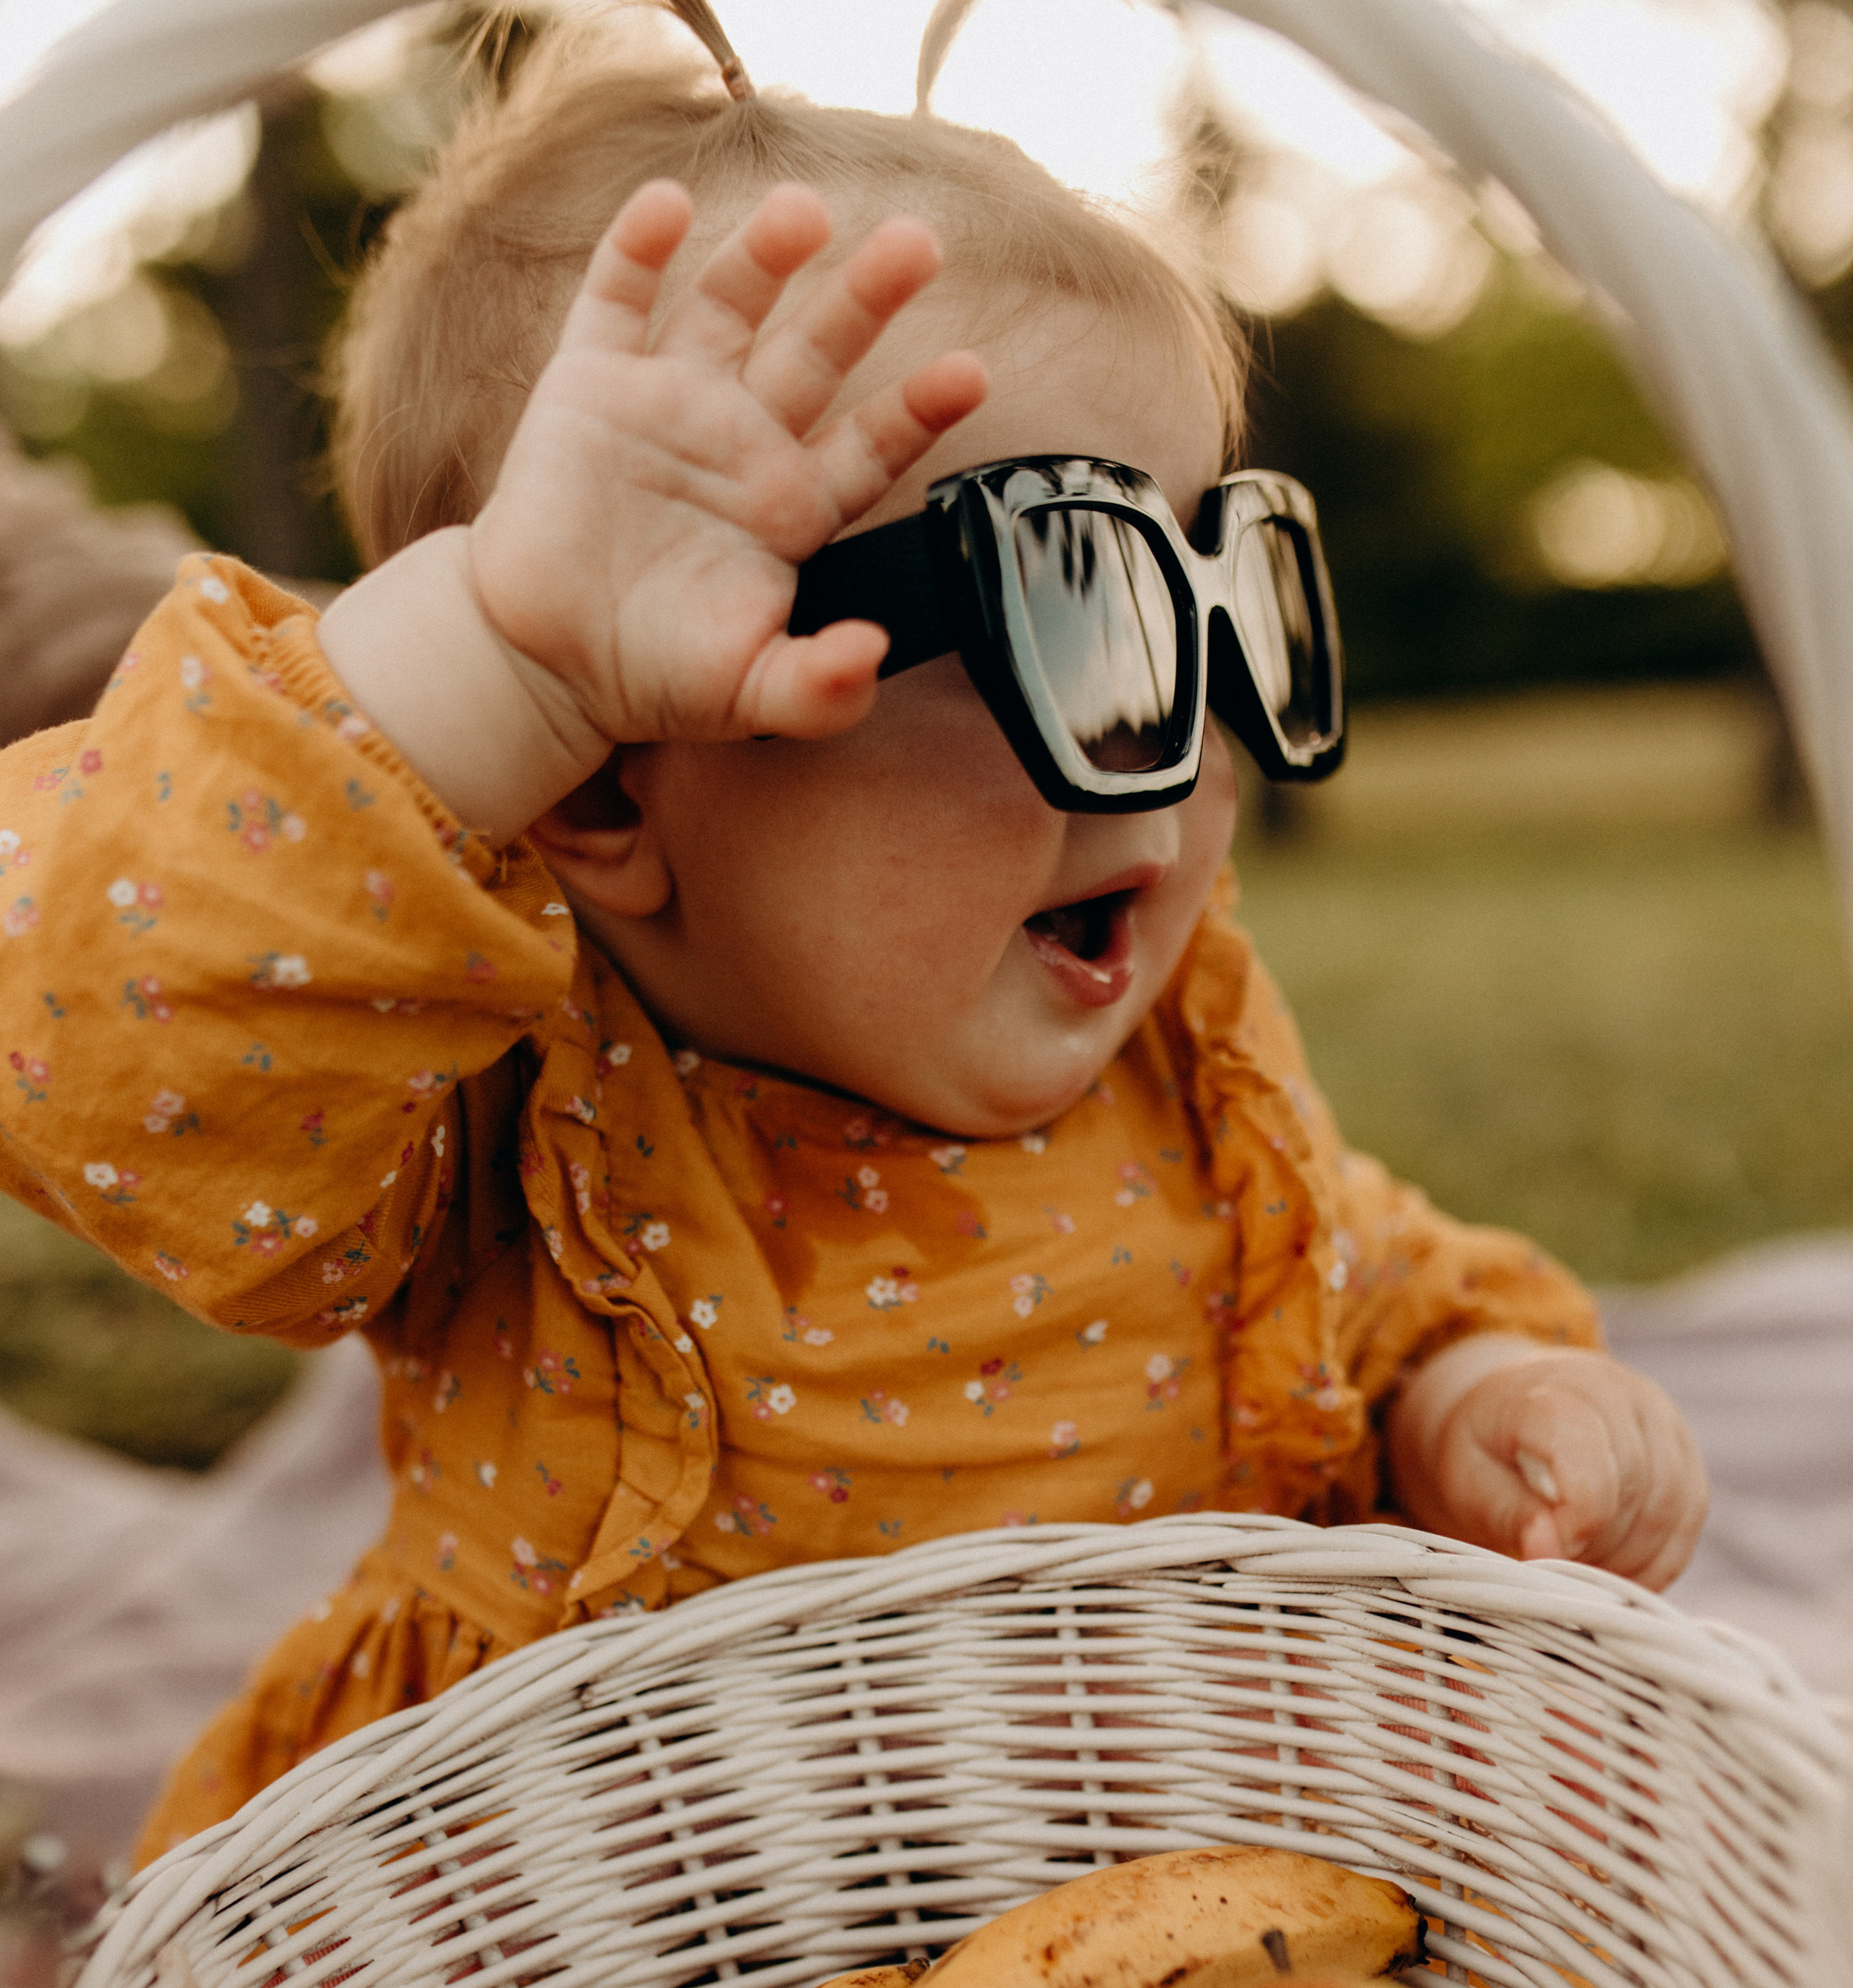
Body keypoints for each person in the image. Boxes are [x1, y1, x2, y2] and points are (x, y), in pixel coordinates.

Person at [0, 8, 1705, 1865]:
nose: (1182, 735)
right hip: (580, 1946)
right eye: (1068, 613)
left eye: (1209, 606)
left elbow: (1358, 1290)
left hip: (1145, 1899)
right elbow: (121, 1041)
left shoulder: (1178, 1073)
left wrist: (1478, 1399)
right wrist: (493, 666)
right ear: (606, 799)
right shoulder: (499, 1117)